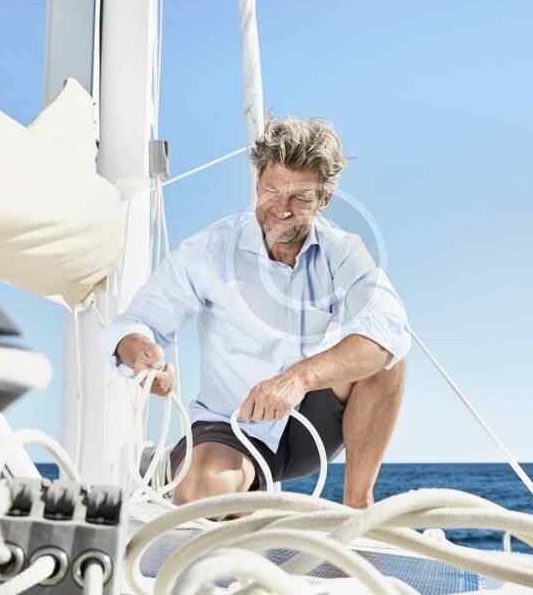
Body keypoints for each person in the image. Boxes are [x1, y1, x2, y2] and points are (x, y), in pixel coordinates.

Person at [101, 117, 410, 508]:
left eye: (300, 197)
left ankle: (358, 507)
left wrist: (299, 378)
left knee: (386, 358)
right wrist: (142, 354)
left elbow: (389, 327)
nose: (282, 209)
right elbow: (135, 323)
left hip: (308, 427)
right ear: (257, 183)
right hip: (230, 425)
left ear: (324, 199)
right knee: (201, 495)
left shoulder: (343, 251)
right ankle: (181, 469)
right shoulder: (211, 248)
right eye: (271, 191)